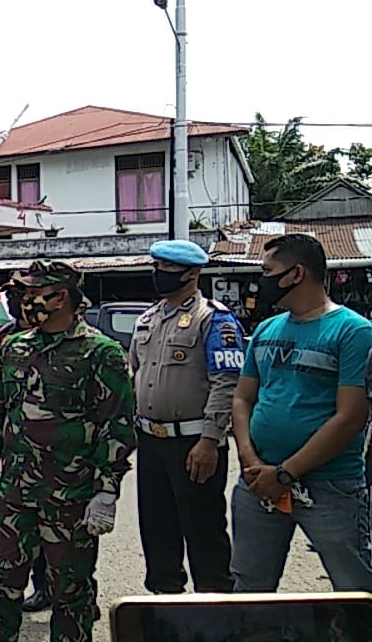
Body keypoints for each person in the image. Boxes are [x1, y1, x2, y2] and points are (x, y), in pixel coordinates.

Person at [0, 259, 136, 642]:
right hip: (14, 495)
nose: (25, 300)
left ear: (60, 296)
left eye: (33, 292)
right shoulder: (15, 347)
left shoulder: (101, 353)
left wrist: (107, 490)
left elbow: (116, 425)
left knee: (70, 593)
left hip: (70, 498)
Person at [230, 234, 372, 592]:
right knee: (249, 591)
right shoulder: (265, 330)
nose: (260, 281)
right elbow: (243, 399)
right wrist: (250, 459)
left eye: (268, 272)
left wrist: (285, 473)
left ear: (296, 274)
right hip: (258, 483)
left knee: (355, 589)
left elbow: (351, 417)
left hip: (330, 485)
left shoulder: (354, 332)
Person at [130, 240, 242, 594]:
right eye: (157, 266)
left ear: (192, 273)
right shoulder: (148, 318)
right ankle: (165, 604)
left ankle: (214, 607)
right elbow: (135, 372)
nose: (158, 274)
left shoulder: (214, 318)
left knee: (203, 530)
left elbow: (226, 382)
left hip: (194, 442)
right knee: (157, 531)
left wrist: (210, 440)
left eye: (168, 268)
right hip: (151, 440)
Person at [0, 281, 50, 613]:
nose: (14, 301)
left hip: (61, 466)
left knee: (63, 544)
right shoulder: (6, 340)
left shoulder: (77, 341)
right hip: (15, 464)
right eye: (9, 295)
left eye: (19, 295)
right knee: (6, 541)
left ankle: (58, 591)